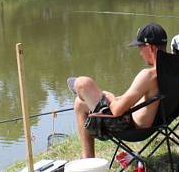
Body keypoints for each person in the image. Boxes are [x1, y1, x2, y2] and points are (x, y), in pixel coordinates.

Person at [71, 23, 167, 158]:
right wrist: (118, 99)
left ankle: (88, 160)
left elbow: (116, 111)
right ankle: (87, 159)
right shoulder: (172, 70)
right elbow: (144, 100)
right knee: (80, 103)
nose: (139, 53)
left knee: (83, 83)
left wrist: (109, 97)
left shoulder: (149, 75)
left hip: (129, 128)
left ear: (150, 47)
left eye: (140, 47)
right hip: (153, 122)